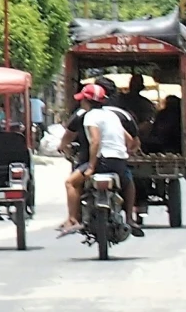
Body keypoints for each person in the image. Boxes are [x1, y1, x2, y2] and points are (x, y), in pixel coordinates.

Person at [59, 83, 141, 237]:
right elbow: (130, 141)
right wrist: (125, 152)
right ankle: (129, 218)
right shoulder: (112, 116)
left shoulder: (89, 116)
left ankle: (73, 219)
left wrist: (91, 166)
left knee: (70, 182)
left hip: (101, 162)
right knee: (128, 182)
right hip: (118, 163)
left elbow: (95, 141)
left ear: (86, 101)